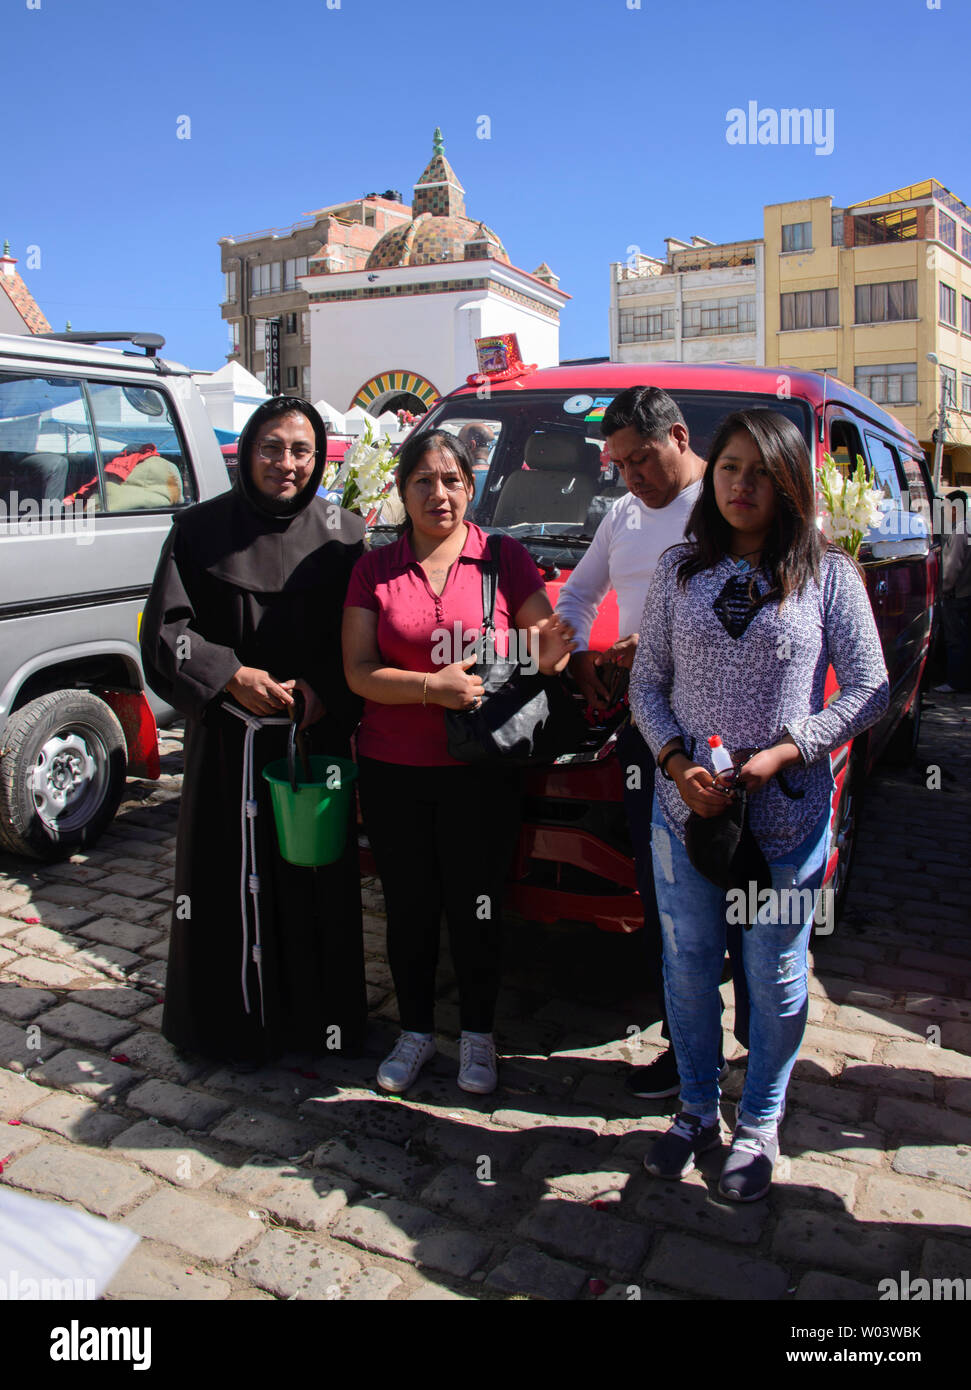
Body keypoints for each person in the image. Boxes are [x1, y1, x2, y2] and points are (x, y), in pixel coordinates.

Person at [629, 409, 888, 1201]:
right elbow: (647, 685)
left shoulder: (827, 574)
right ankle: (695, 1111)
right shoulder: (678, 569)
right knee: (688, 965)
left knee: (773, 973)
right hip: (687, 812)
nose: (741, 485)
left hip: (784, 815)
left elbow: (870, 687)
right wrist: (674, 763)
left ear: (788, 482)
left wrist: (788, 747)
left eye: (760, 472)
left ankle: (760, 1122)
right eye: (729, 467)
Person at [342, 428, 575, 1095]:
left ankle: (477, 1035)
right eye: (423, 480)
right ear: (402, 489)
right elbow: (357, 671)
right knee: (408, 906)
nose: (437, 494)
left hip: (480, 770)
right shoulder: (373, 568)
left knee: (477, 905)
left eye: (450, 481)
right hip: (393, 767)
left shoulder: (503, 558)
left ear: (470, 489)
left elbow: (545, 647)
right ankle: (414, 1033)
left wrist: (556, 645)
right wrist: (428, 688)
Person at [140, 397, 367, 1065]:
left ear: (319, 457)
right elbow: (166, 633)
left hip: (312, 739)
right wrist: (231, 675)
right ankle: (224, 1025)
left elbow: (361, 637)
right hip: (227, 746)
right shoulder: (199, 531)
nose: (286, 463)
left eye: (300, 450)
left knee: (314, 882)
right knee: (222, 885)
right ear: (248, 451)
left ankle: (318, 1023)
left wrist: (325, 689)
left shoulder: (346, 535)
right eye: (272, 447)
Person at [555, 385, 748, 1101]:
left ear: (676, 436)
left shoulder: (731, 502)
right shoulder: (623, 518)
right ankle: (684, 1046)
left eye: (639, 458)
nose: (630, 475)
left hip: (730, 733)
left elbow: (763, 607)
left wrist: (663, 641)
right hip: (648, 731)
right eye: (617, 463)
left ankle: (756, 1045)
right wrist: (577, 649)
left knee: (743, 890)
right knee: (667, 895)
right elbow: (576, 596)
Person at [933, 490, 971, 694]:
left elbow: (952, 566)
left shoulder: (959, 531)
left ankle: (956, 681)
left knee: (956, 640)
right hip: (966, 591)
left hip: (956, 594)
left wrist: (943, 589)